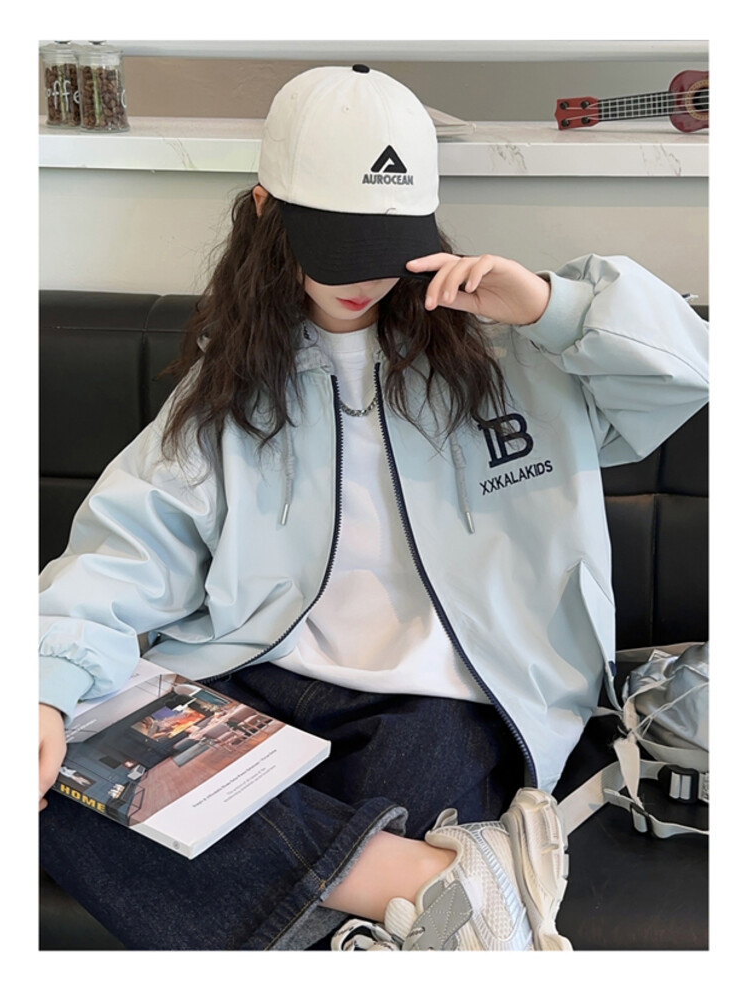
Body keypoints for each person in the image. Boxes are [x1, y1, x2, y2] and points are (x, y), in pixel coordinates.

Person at [38, 64, 709, 951]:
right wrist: (43, 689)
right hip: (256, 671)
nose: (364, 275)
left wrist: (552, 307)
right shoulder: (229, 388)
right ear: (266, 212)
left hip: (448, 695)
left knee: (393, 794)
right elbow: (127, 551)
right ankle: (429, 882)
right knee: (53, 787)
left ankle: (368, 894)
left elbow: (691, 375)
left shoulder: (513, 354)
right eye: (338, 242)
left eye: (384, 243)